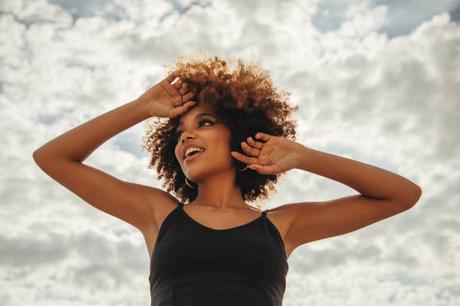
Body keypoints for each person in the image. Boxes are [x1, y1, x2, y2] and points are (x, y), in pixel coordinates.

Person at [33, 54, 422, 306]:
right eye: (179, 131)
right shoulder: (159, 215)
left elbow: (401, 195)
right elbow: (52, 157)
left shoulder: (282, 227)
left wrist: (305, 157)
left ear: (239, 132)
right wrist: (139, 108)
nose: (186, 136)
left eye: (204, 123)